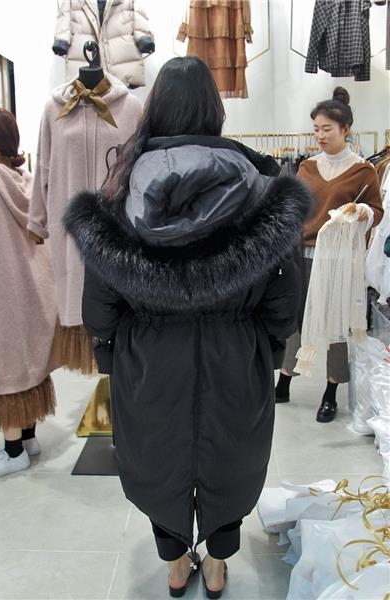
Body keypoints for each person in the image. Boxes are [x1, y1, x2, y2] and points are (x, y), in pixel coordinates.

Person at [64, 56, 311, 598]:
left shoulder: (121, 186)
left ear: (156, 110)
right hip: (237, 350)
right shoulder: (261, 185)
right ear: (214, 110)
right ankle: (218, 563)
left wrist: (111, 355)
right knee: (234, 457)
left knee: (155, 456)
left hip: (148, 357)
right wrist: (267, 348)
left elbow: (99, 303)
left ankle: (176, 562)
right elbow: (285, 295)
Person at [275, 86, 383, 423]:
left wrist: (361, 212)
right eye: (316, 129)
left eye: (327, 129)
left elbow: (377, 211)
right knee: (296, 317)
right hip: (302, 254)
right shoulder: (307, 167)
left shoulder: (362, 170)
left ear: (345, 130)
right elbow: (293, 208)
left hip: (338, 258)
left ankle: (331, 390)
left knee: (336, 323)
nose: (320, 136)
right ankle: (285, 379)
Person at [0, 108, 58, 479]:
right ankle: (29, 438)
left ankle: (13, 450)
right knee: (28, 366)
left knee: (7, 373)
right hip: (34, 292)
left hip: (3, 294)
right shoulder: (25, 178)